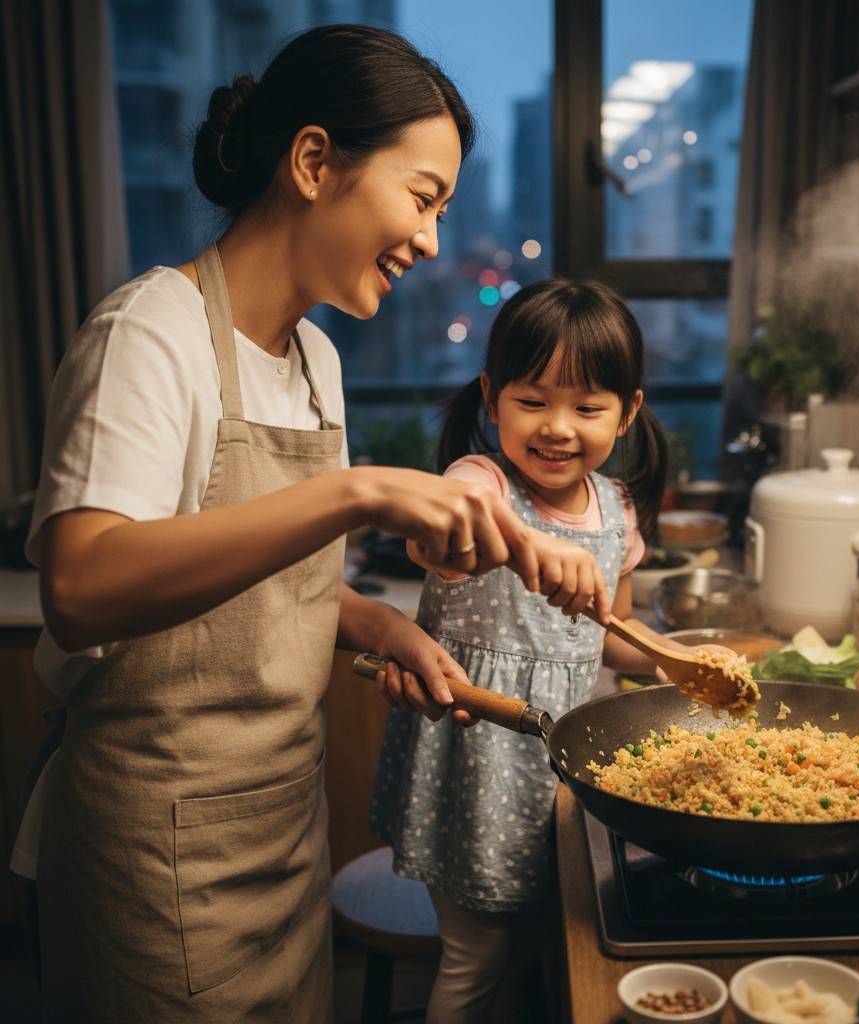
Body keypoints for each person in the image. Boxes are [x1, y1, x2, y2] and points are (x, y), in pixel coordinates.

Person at [15, 26, 609, 1023]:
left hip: (283, 835)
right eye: (422, 198)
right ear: (312, 162)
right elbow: (82, 587)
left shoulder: (315, 363)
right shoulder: (149, 335)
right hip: (156, 851)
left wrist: (385, 629)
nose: (429, 238)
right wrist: (358, 491)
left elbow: (269, 583)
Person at [369, 279, 725, 1023]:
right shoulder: (478, 483)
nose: (557, 428)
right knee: (475, 957)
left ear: (627, 411)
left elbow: (610, 637)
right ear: (492, 397)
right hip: (473, 760)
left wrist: (674, 658)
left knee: (543, 948)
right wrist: (525, 544)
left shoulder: (617, 508)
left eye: (587, 408)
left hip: (562, 767)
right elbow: (438, 531)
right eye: (532, 402)